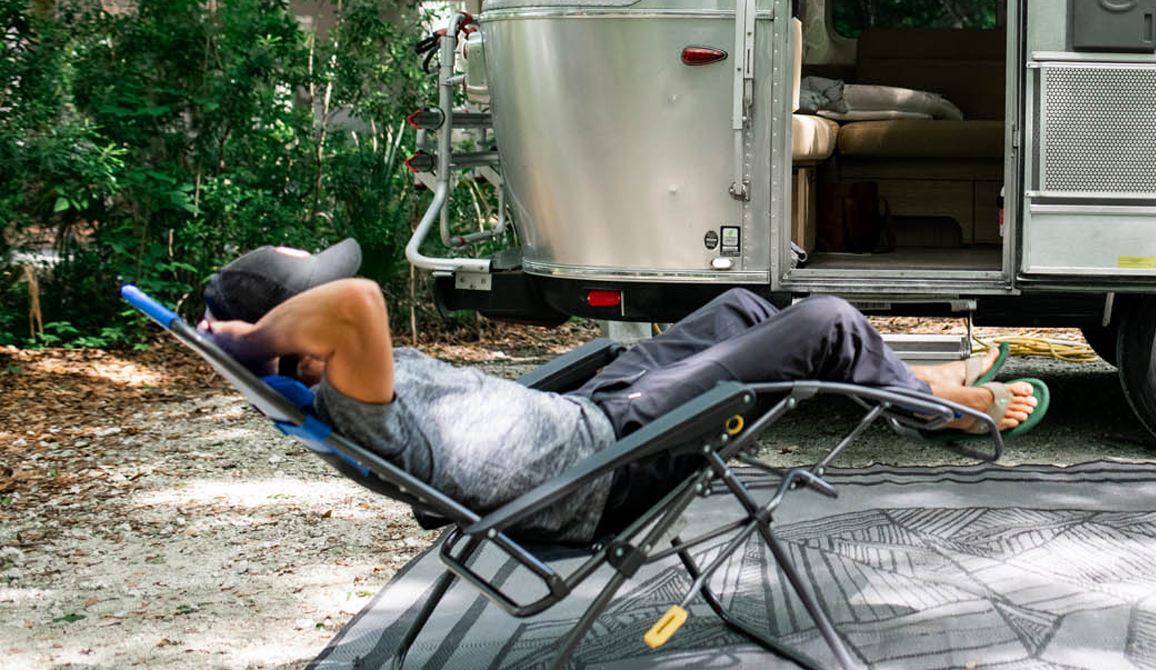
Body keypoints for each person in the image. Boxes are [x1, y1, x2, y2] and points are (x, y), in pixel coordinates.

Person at [195, 242, 1043, 544]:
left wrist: (251, 338)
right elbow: (358, 303)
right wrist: (251, 340)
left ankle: (916, 382)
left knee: (744, 305)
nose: (332, 287)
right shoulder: (348, 393)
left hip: (585, 421)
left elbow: (346, 307)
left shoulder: (338, 377)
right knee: (822, 317)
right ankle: (940, 409)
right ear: (296, 341)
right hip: (603, 465)